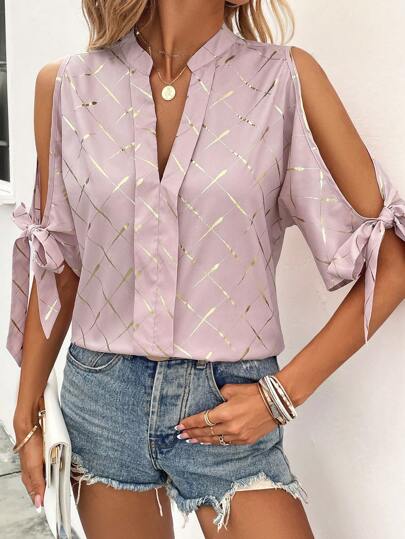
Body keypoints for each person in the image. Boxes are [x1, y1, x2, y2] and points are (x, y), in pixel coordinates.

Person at [8, 1, 405, 538]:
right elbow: (59, 260)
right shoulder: (66, 87)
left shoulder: (284, 80)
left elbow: (391, 261)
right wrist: (26, 409)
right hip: (102, 401)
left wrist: (282, 395)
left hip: (229, 403)